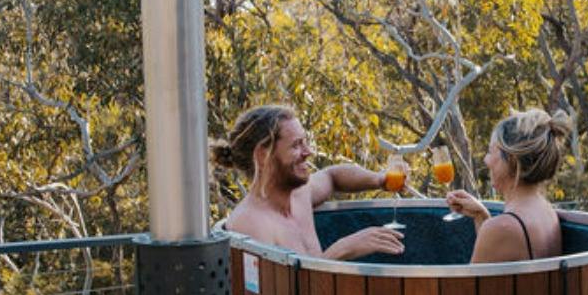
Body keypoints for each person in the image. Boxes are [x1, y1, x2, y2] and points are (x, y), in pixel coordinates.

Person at [214, 104, 404, 260]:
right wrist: (341, 250)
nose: (308, 152)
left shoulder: (300, 195)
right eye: (296, 145)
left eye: (305, 142)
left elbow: (333, 175)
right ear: (263, 155)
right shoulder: (251, 223)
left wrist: (380, 179)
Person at [445, 108, 570, 263]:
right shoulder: (546, 210)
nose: (486, 160)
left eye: (491, 152)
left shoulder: (503, 228)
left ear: (511, 161)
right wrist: (481, 216)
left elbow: (469, 287)